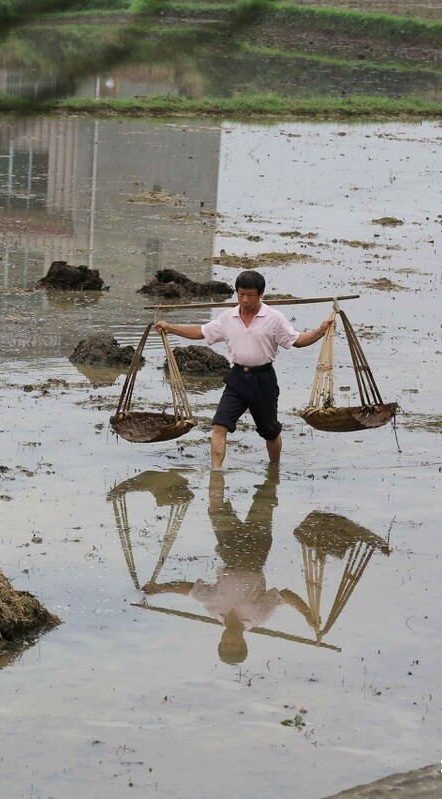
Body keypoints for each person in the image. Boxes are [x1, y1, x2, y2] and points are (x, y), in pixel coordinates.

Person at [154, 270, 332, 468]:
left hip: (263, 379)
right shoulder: (228, 318)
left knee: (270, 431)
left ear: (261, 294)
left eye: (250, 295)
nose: (245, 299)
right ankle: (216, 475)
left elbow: (297, 341)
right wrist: (170, 327)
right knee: (220, 426)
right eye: (241, 294)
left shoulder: (274, 318)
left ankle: (274, 469)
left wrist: (320, 331)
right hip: (237, 378)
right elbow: (201, 332)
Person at [143, 469, 311, 665]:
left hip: (229, 550)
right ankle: (272, 470)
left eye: (226, 644)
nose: (230, 640)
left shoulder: (214, 609)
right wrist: (307, 614)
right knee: (264, 499)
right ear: (243, 642)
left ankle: (217, 470)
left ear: (221, 641)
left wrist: (159, 588)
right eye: (235, 644)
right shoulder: (258, 617)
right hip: (256, 552)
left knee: (215, 508)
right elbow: (286, 595)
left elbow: (189, 589)